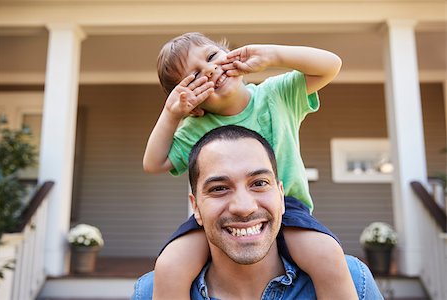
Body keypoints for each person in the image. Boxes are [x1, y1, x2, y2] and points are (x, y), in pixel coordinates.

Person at [143, 32, 356, 299]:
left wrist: (274, 55)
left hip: (286, 208)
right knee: (170, 264)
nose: (209, 70)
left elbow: (330, 65)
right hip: (219, 217)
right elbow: (154, 163)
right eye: (195, 76)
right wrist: (172, 113)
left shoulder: (276, 95)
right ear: (192, 103)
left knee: (327, 253)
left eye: (211, 57)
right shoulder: (195, 127)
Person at [133, 125, 383, 299]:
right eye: (219, 188)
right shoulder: (152, 292)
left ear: (281, 196)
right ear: (195, 207)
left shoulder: (353, 280)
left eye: (259, 183)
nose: (244, 207)